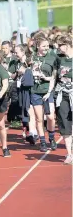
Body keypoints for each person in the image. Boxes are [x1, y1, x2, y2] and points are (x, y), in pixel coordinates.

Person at [55, 35, 73, 164]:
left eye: (60, 45)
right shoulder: (59, 59)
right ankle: (69, 154)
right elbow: (54, 76)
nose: (58, 48)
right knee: (65, 123)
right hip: (62, 94)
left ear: (66, 45)